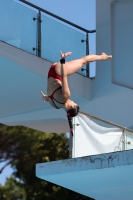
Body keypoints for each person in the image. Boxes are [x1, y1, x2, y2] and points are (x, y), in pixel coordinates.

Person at [41, 51, 112, 134]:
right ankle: (101, 57)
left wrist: (63, 60)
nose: (73, 101)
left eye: (74, 102)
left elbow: (64, 76)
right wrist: (45, 97)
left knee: (83, 61)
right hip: (51, 73)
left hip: (58, 71)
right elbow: (47, 99)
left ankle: (103, 57)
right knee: (82, 61)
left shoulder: (65, 96)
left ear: (72, 106)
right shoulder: (55, 105)